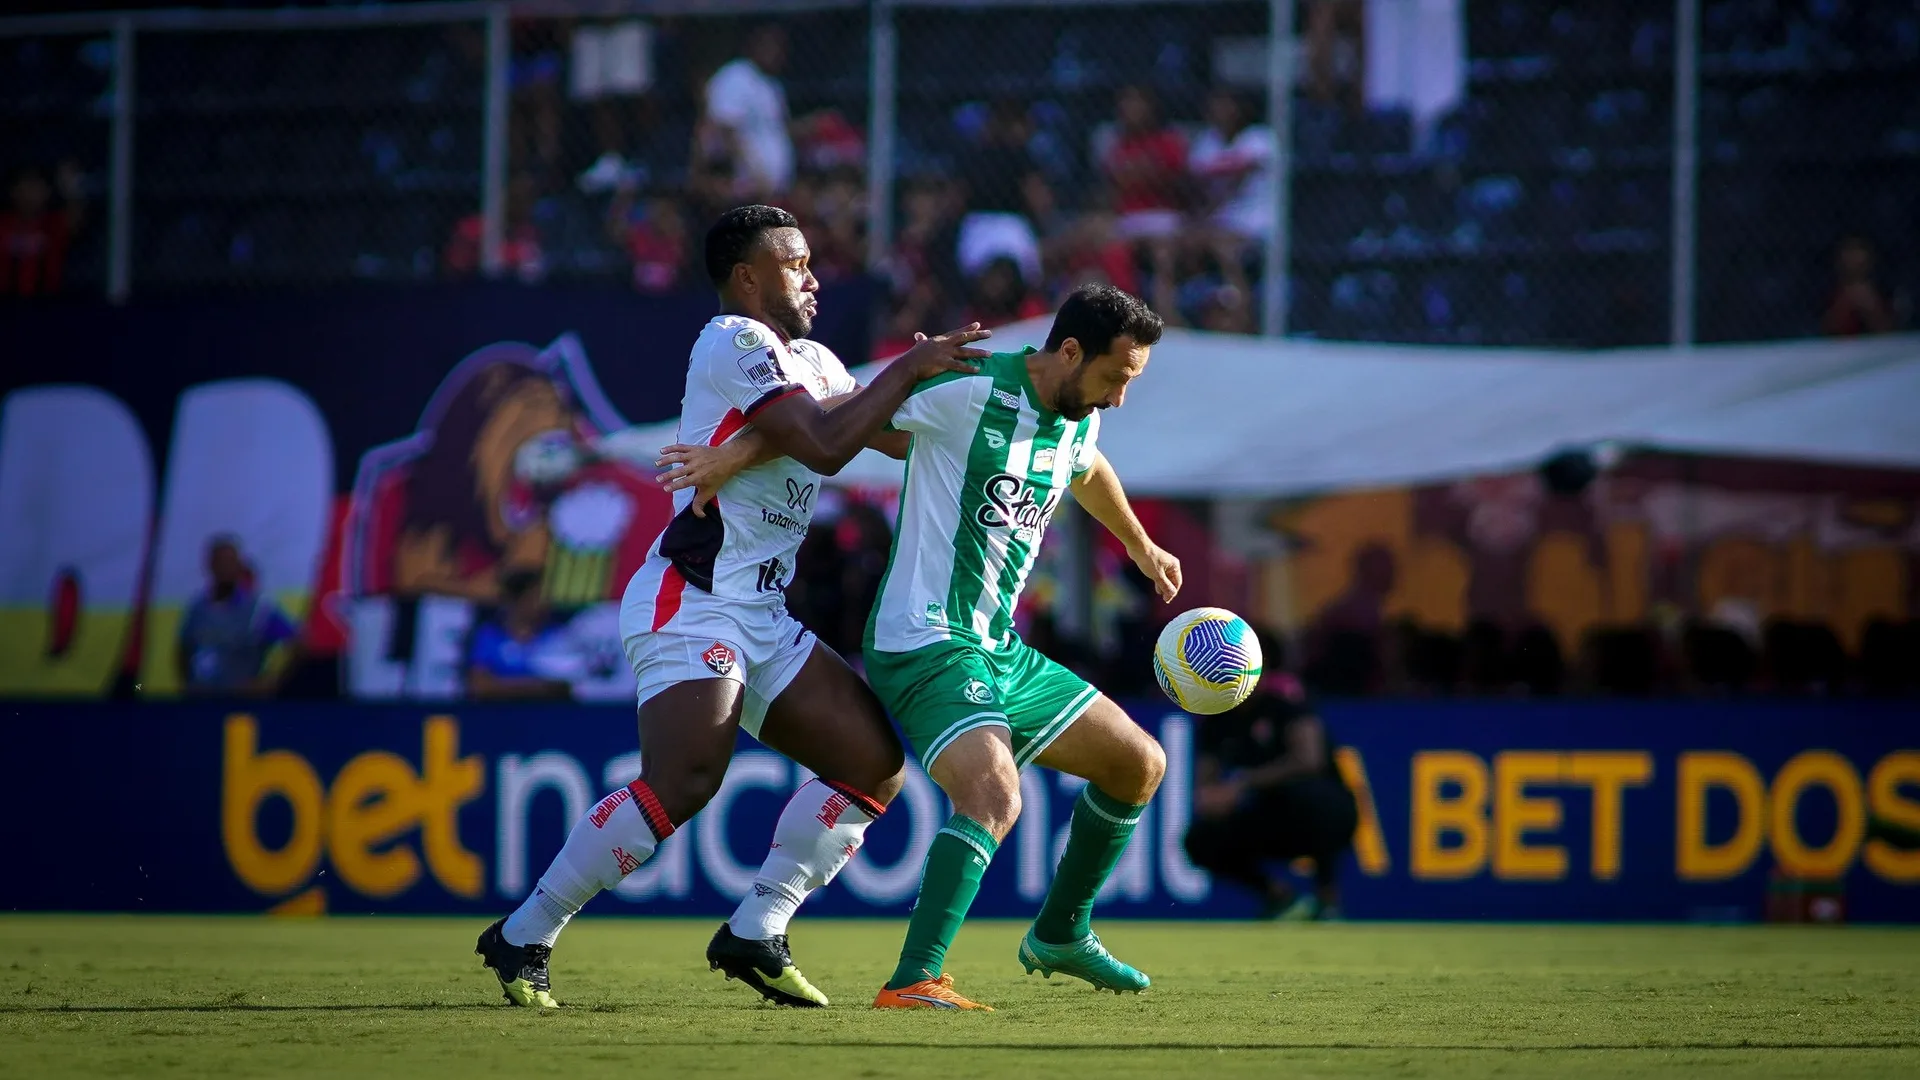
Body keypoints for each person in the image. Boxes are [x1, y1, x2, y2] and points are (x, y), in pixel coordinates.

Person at [475, 204, 988, 1010]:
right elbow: (822, 441)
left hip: (763, 613)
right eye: (795, 264)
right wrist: (906, 368)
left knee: (872, 766)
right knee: (684, 780)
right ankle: (523, 933)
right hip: (692, 599)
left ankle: (758, 928)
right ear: (747, 277)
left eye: (812, 262)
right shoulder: (732, 340)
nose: (813, 278)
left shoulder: (814, 359)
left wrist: (982, 395)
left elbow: (880, 432)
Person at [864, 285, 1177, 1009]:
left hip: (997, 648)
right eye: (1115, 378)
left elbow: (1087, 468)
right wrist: (732, 458)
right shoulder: (967, 393)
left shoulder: (1076, 417)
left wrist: (1141, 545)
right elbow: (836, 421)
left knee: (1139, 764)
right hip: (923, 638)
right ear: (1070, 351)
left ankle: (1061, 933)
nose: (1119, 399)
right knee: (994, 793)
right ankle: (914, 979)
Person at [1184, 632, 1358, 921]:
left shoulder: (1286, 705)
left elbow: (1308, 760)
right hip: (1265, 817)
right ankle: (1279, 897)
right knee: (1200, 839)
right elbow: (1207, 782)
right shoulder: (1216, 720)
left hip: (1321, 812)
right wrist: (1210, 796)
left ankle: (1328, 899)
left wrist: (1245, 782)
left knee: (1313, 800)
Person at [175, 535, 300, 697]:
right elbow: (184, 648)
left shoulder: (258, 609)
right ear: (210, 566)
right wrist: (188, 682)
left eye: (231, 562)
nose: (226, 568)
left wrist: (271, 681)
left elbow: (298, 644)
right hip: (200, 701)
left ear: (239, 566)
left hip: (240, 703)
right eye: (221, 563)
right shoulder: (197, 609)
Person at [701, 25, 794, 202]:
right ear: (754, 45)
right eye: (769, 45)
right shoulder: (735, 76)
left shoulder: (770, 84)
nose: (776, 52)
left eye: (779, 47)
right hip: (742, 188)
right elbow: (725, 128)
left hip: (770, 190)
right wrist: (753, 172)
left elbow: (778, 131)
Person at [465, 569, 576, 701]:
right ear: (515, 600)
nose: (544, 604)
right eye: (535, 597)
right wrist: (538, 687)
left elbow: (567, 685)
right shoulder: (489, 636)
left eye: (547, 598)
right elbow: (479, 687)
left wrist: (502, 685)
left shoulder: (558, 635)